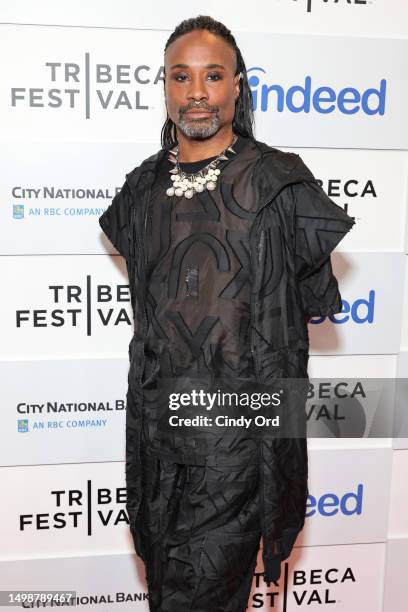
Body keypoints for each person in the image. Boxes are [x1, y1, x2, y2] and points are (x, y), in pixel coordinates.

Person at [99, 15, 356, 612]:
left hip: (241, 449)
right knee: (167, 592)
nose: (196, 92)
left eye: (212, 76)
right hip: (158, 444)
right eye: (181, 76)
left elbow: (303, 322)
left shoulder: (279, 183)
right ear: (164, 87)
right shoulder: (140, 191)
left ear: (238, 85)